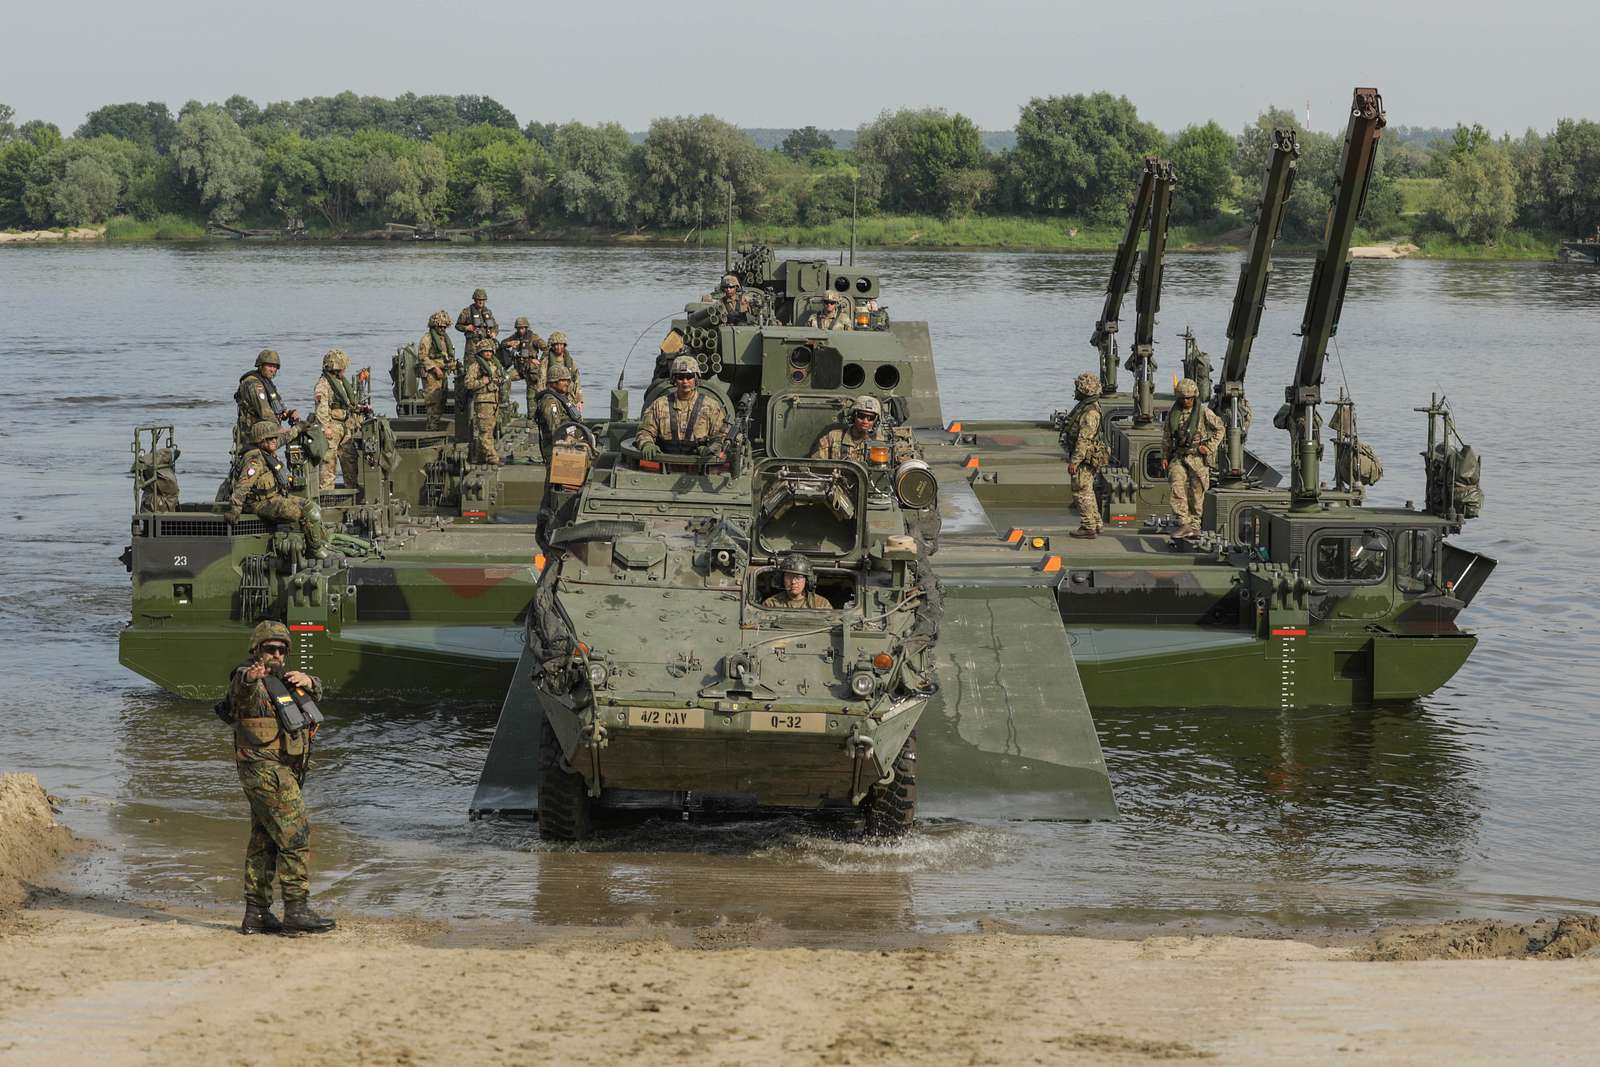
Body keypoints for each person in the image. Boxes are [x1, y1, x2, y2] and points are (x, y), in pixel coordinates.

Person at [221, 619, 336, 935]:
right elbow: (240, 690)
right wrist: (249, 678)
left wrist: (310, 680)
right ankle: (296, 909)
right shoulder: (251, 682)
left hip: (277, 771)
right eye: (269, 649)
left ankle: (256, 914)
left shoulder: (283, 681)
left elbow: (317, 696)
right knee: (296, 834)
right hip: (266, 771)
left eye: (282, 650)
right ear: (256, 650)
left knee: (265, 840)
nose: (276, 655)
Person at [225, 420, 332, 559]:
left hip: (274, 497)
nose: (274, 441)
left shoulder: (267, 449)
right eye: (270, 439)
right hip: (260, 504)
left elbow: (284, 437)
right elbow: (243, 485)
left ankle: (318, 542)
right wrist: (235, 509)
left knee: (314, 508)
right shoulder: (255, 460)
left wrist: (298, 428)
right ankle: (314, 549)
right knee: (307, 513)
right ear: (260, 440)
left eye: (274, 438)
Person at [1163, 377, 1226, 540]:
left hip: (1198, 456)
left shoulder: (1204, 412)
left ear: (1195, 397)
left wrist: (1210, 447)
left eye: (1189, 398)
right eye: (1183, 398)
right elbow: (1167, 436)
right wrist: (1165, 455)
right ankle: (1184, 523)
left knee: (1197, 494)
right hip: (1179, 455)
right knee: (1176, 484)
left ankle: (1195, 526)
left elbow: (1220, 428)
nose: (1186, 401)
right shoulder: (1173, 413)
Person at [636, 355, 728, 459]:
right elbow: (645, 431)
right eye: (680, 377)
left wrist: (711, 449)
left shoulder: (711, 406)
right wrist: (647, 444)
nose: (685, 381)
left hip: (697, 462)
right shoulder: (659, 405)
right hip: (666, 459)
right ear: (674, 379)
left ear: (695, 379)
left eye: (689, 377)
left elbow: (721, 435)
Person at [1062, 372, 1110, 539]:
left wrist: (1075, 461)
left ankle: (1088, 526)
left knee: (1081, 490)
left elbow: (1083, 439)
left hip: (1085, 458)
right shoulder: (1089, 407)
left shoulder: (1090, 412)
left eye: (1077, 388)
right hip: (1088, 456)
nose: (1075, 391)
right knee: (1088, 490)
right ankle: (1096, 523)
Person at [312, 349, 363, 491]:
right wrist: (325, 428)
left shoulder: (341, 383)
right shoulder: (323, 384)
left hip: (345, 426)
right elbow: (321, 408)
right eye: (343, 367)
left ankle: (351, 490)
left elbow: (348, 402)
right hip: (332, 427)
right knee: (329, 463)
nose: (345, 370)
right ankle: (327, 493)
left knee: (350, 460)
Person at [233, 349, 299, 451]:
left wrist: (289, 413)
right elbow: (265, 412)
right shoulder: (254, 384)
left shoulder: (267, 383)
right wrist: (281, 430)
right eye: (269, 366)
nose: (272, 370)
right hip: (252, 435)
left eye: (275, 367)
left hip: (264, 433)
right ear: (260, 366)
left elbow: (277, 408)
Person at [463, 337, 508, 465]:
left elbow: (500, 379)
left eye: (490, 351)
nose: (488, 353)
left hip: (493, 402)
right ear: (480, 352)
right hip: (483, 402)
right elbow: (468, 384)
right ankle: (492, 457)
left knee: (490, 430)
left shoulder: (494, 365)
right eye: (485, 351)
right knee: (485, 432)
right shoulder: (475, 367)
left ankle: (481, 457)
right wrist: (482, 382)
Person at [810, 395, 885, 462]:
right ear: (853, 416)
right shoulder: (833, 437)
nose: (865, 421)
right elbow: (817, 464)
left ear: (876, 420)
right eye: (861, 416)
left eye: (870, 418)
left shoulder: (880, 442)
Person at [417, 310, 457, 430]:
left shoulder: (444, 339)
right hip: (431, 374)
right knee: (433, 401)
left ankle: (435, 424)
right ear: (434, 326)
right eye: (440, 327)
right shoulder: (427, 339)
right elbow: (422, 357)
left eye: (445, 327)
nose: (443, 329)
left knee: (442, 400)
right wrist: (434, 368)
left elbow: (447, 355)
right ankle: (431, 426)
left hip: (443, 372)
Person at [499, 316, 546, 414]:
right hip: (518, 369)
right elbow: (502, 343)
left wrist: (540, 361)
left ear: (526, 328)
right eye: (519, 328)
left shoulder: (533, 337)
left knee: (531, 395)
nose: (520, 330)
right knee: (505, 378)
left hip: (530, 370)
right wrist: (509, 343)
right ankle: (505, 405)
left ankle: (531, 417)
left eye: (522, 328)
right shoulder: (515, 336)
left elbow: (546, 348)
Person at [762, 554, 832, 609]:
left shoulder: (821, 604)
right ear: (782, 579)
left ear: (807, 580)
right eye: (789, 577)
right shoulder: (771, 604)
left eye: (798, 577)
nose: (793, 582)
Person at [536, 330, 583, 412]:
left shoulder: (570, 361)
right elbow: (541, 380)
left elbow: (577, 381)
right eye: (556, 345)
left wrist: (579, 400)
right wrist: (541, 399)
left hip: (569, 395)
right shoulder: (546, 361)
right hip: (552, 394)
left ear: (564, 345)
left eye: (561, 344)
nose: (558, 347)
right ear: (552, 346)